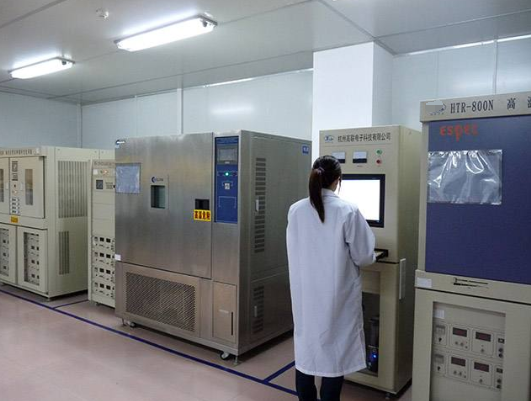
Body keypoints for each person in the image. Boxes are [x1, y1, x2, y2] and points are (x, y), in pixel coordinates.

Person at [286, 155, 376, 401]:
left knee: (306, 352)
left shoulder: (296, 210)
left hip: (306, 297)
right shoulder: (348, 210)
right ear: (338, 179)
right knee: (335, 354)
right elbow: (364, 256)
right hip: (336, 298)